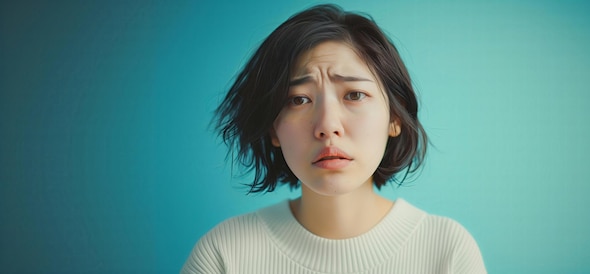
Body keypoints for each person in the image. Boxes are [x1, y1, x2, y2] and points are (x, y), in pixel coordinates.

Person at [182, 4, 486, 274]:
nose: (327, 126)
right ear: (273, 128)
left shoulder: (446, 251)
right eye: (298, 100)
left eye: (354, 95)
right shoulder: (224, 255)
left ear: (395, 117)